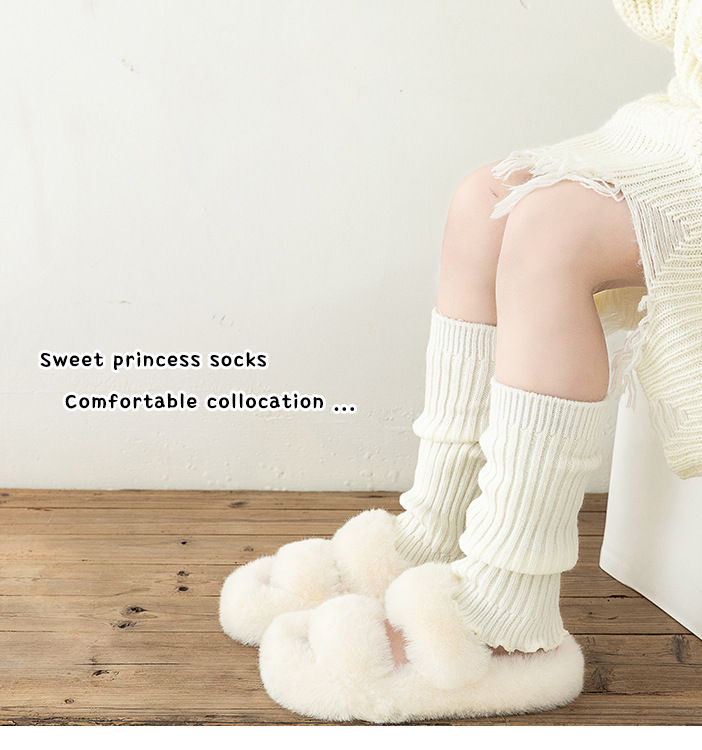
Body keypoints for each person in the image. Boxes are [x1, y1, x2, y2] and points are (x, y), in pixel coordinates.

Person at [219, 0, 702, 722]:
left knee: (556, 230)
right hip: (683, 124)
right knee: (486, 196)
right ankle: (435, 531)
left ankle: (508, 616)